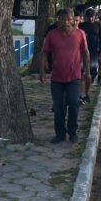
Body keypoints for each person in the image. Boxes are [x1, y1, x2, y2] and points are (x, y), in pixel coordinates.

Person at [40, 8, 90, 143]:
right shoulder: (51, 35)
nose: (65, 22)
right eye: (62, 19)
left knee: (74, 103)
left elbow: (85, 52)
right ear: (58, 20)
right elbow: (44, 52)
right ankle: (60, 134)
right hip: (57, 77)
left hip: (74, 77)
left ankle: (72, 131)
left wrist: (87, 71)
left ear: (74, 20)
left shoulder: (80, 34)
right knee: (59, 107)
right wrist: (42, 71)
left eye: (68, 19)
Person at [78, 8, 101, 102]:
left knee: (93, 72)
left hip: (94, 52)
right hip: (82, 51)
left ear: (95, 16)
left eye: (92, 17)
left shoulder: (98, 25)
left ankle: (86, 91)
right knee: (81, 72)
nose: (90, 19)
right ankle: (82, 94)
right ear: (85, 17)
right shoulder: (81, 25)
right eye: (88, 17)